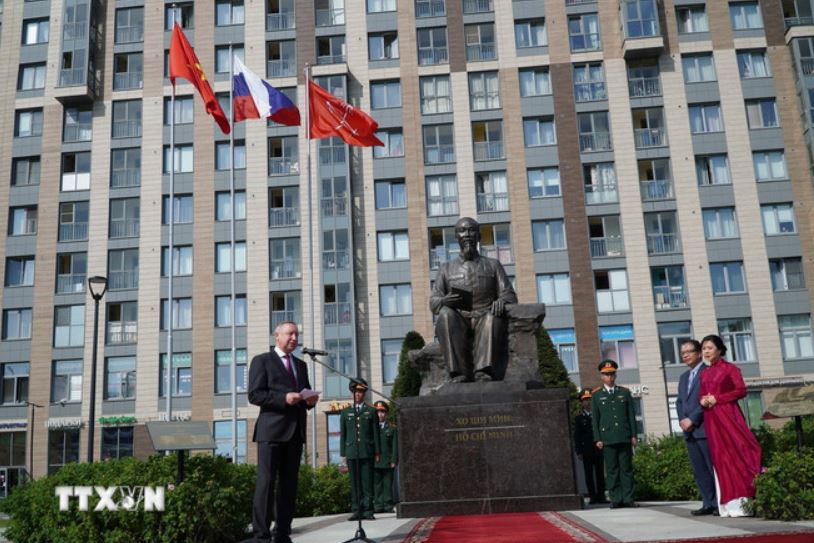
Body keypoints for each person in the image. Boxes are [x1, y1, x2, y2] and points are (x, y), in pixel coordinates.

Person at [247, 321, 319, 543]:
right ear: (276, 336)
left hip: (295, 432)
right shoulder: (262, 361)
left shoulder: (301, 365)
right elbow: (255, 395)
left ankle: (282, 533)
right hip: (271, 432)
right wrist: (283, 399)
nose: (294, 338)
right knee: (266, 484)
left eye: (297, 334)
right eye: (290, 334)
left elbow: (303, 396)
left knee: (289, 486)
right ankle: (261, 535)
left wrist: (310, 401)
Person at [429, 217, 518, 382]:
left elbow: (509, 294)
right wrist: (444, 301)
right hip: (459, 319)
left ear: (478, 236)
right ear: (456, 237)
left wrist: (502, 300)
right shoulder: (445, 268)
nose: (467, 234)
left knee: (493, 317)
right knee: (445, 315)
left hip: (484, 316)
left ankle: (483, 372)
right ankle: (458, 373)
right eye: (462, 231)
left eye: (472, 230)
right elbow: (434, 302)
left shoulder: (493, 265)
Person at [699, 334, 762, 517]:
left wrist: (717, 398)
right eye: (704, 349)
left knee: (737, 452)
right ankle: (726, 506)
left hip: (729, 416)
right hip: (712, 419)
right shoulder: (704, 373)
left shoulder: (730, 369)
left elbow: (741, 390)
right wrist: (703, 400)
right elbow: (701, 395)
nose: (706, 352)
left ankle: (743, 503)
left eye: (710, 348)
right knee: (720, 457)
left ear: (719, 349)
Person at [675, 339, 718, 516]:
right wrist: (683, 420)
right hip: (689, 432)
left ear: (699, 353)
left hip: (704, 428)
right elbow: (679, 402)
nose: (685, 355)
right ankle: (707, 503)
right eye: (682, 352)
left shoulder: (708, 372)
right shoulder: (684, 377)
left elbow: (709, 399)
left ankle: (718, 504)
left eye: (688, 351)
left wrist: (692, 419)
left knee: (711, 468)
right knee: (699, 470)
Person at [591, 360, 638, 509]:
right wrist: (597, 438)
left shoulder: (624, 392)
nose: (609, 377)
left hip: (623, 436)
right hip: (608, 438)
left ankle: (628, 498)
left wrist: (634, 435)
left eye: (612, 374)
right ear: (601, 376)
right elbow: (596, 419)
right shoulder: (597, 395)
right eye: (606, 374)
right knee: (611, 470)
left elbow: (631, 415)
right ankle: (616, 499)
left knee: (626, 469)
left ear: (615, 375)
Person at [340, 378, 380, 521]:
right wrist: (343, 454)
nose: (358, 394)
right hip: (352, 452)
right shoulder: (345, 412)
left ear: (364, 393)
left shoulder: (371, 411)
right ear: (353, 393)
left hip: (367, 451)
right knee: (355, 483)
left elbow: (376, 433)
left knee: (367, 482)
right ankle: (357, 510)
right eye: (356, 392)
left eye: (361, 392)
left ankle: (368, 510)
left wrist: (377, 452)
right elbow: (343, 434)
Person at [574, 388, 607, 505]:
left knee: (600, 474)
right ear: (581, 402)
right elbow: (577, 436)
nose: (587, 402)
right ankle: (592, 496)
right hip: (586, 450)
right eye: (585, 400)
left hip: (598, 449)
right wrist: (578, 451)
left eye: (589, 399)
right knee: (589, 475)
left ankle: (601, 496)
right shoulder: (578, 418)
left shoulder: (599, 415)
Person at [373, 401, 398, 514]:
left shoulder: (392, 428)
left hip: (388, 461)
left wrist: (394, 460)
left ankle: (388, 505)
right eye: (378, 412)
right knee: (377, 484)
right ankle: (378, 505)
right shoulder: (371, 428)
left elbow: (395, 446)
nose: (380, 415)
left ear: (386, 414)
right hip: (375, 461)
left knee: (388, 484)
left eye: (382, 412)